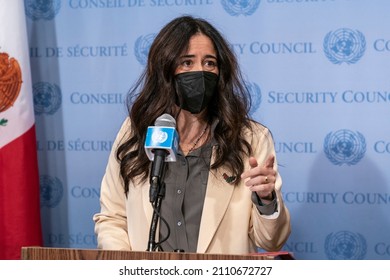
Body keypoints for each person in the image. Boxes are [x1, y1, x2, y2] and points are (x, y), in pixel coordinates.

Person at [93, 15, 291, 254]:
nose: (200, 71)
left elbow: (271, 242)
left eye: (209, 63)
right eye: (187, 63)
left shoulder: (251, 139)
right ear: (165, 69)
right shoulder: (135, 132)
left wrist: (267, 200)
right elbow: (112, 218)